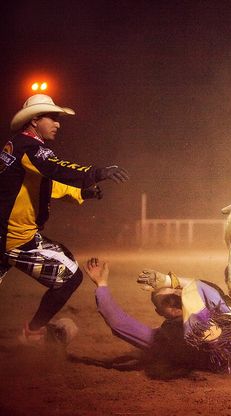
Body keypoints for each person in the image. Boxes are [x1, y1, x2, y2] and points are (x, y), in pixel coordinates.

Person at [0, 94, 130, 346]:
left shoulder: (15, 147)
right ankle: (33, 334)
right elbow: (56, 169)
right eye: (53, 118)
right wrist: (96, 173)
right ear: (35, 120)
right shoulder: (30, 148)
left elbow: (46, 184)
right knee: (70, 276)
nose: (58, 124)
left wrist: (81, 192)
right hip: (15, 239)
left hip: (6, 235)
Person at [84, 257, 231, 373]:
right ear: (160, 312)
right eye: (167, 301)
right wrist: (102, 285)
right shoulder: (164, 337)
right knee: (201, 292)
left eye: (175, 295)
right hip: (230, 359)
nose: (175, 300)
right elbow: (119, 323)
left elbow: (207, 289)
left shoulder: (207, 303)